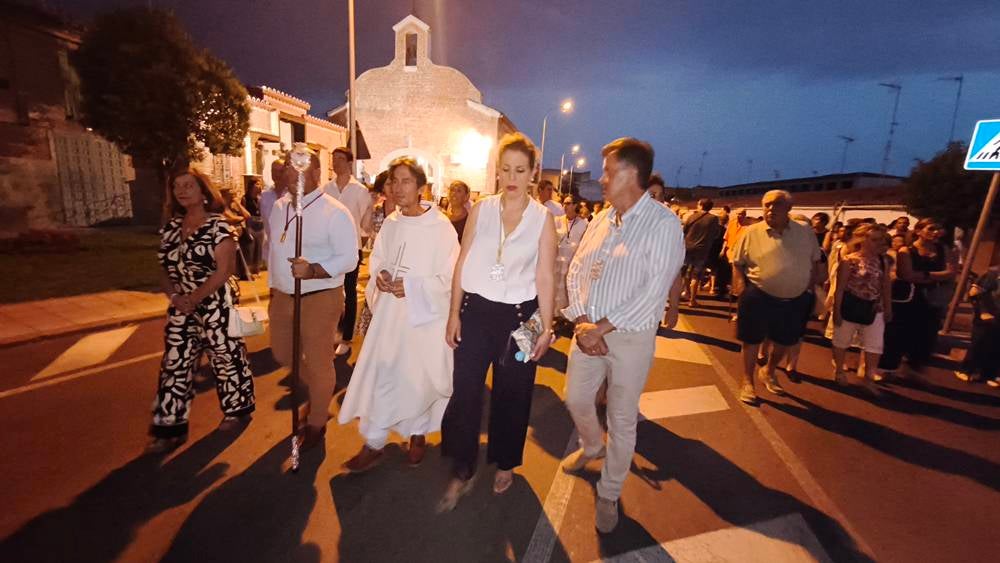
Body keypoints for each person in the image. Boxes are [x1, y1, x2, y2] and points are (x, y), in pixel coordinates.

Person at [560, 137, 685, 533]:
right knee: (576, 398)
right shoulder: (602, 219)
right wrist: (581, 320)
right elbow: (577, 269)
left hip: (629, 338)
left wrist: (601, 327)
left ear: (630, 174)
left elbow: (653, 291)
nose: (601, 178)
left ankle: (610, 492)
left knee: (622, 417)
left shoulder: (664, 224)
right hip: (587, 331)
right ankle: (592, 445)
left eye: (608, 171)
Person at [438, 132, 557, 511]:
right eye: (505, 169)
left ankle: (506, 461)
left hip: (521, 319)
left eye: (520, 170)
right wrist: (454, 312)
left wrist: (547, 326)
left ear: (532, 172)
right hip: (475, 313)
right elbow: (462, 262)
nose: (512, 177)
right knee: (466, 390)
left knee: (515, 393)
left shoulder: (543, 220)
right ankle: (464, 460)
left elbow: (546, 278)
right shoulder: (482, 209)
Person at [338, 157, 460, 472]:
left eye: (406, 181)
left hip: (424, 319)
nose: (398, 187)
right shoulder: (391, 223)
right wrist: (379, 276)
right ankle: (374, 442)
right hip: (390, 317)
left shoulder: (441, 227)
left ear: (421, 188)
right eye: (394, 181)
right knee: (384, 374)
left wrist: (414, 287)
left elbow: (451, 278)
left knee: (417, 378)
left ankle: (417, 433)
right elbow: (379, 260)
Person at [147, 169, 255, 453]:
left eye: (188, 186)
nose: (182, 191)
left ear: (204, 191)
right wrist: (174, 296)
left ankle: (237, 408)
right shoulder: (171, 228)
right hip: (182, 305)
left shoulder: (220, 227)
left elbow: (224, 271)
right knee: (175, 363)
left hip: (215, 303)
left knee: (225, 357)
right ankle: (169, 427)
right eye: (177, 187)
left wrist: (195, 297)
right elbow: (164, 268)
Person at [269, 149, 359, 450]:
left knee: (319, 362)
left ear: (317, 172)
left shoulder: (335, 211)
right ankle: (322, 390)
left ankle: (317, 421)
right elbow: (275, 250)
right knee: (284, 354)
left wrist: (313, 270)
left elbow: (349, 258)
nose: (290, 173)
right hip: (283, 294)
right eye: (288, 168)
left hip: (319, 295)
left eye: (300, 168)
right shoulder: (280, 207)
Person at [731, 190, 823, 404]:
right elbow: (737, 262)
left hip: (795, 300)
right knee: (751, 340)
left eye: (777, 204)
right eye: (767, 204)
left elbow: (815, 262)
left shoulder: (805, 232)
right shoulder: (751, 232)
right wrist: (739, 286)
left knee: (785, 341)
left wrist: (808, 288)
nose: (771, 208)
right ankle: (748, 381)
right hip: (758, 295)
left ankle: (769, 371)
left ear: (789, 208)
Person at [879, 218, 957, 380]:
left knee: (925, 334)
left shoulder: (943, 249)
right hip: (908, 298)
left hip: (932, 300)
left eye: (938, 229)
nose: (936, 233)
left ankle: (913, 368)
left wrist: (923, 276)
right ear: (918, 231)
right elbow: (906, 275)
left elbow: (950, 272)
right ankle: (887, 368)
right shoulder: (906, 251)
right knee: (898, 334)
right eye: (931, 229)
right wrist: (935, 277)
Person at [323, 147, 373, 357]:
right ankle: (330, 332)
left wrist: (357, 246)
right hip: (328, 250)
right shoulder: (326, 188)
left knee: (350, 293)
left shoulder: (359, 190)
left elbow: (365, 222)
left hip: (351, 249)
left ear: (350, 163)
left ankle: (345, 336)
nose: (336, 163)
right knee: (331, 293)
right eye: (333, 159)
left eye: (341, 159)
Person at [831, 223, 892, 394]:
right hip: (851, 305)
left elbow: (886, 285)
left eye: (880, 240)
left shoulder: (882, 261)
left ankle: (869, 378)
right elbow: (840, 288)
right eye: (874, 240)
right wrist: (836, 311)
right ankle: (839, 371)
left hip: (874, 307)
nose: (878, 243)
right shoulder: (849, 260)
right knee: (842, 340)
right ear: (862, 240)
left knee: (875, 345)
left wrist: (888, 308)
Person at [955, 265, 1000, 386]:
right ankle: (967, 370)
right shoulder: (993, 273)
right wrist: (983, 311)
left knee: (996, 346)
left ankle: (990, 374)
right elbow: (974, 293)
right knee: (979, 342)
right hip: (987, 315)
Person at [681, 198, 723, 307]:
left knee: (686, 272)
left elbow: (684, 231)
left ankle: (687, 293)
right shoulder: (713, 219)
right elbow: (716, 234)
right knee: (696, 275)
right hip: (702, 250)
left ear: (700, 205)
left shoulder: (691, 217)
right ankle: (692, 300)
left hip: (687, 247)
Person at [555, 194, 589, 317]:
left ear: (575, 205)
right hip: (558, 263)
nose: (565, 206)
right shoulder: (557, 220)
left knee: (569, 290)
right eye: (564, 203)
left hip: (573, 263)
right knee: (557, 290)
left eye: (568, 203)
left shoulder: (583, 223)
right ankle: (556, 316)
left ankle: (568, 317)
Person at [260, 158, 290, 267]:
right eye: (274, 171)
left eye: (280, 171)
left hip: (290, 250)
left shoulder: (294, 196)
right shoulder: (264, 196)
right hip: (271, 250)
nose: (276, 174)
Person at [244, 177, 265, 274]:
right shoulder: (245, 199)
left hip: (260, 224)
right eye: (257, 184)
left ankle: (257, 269)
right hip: (251, 225)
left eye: (260, 184)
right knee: (250, 249)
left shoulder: (259, 199)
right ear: (251, 186)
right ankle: (248, 270)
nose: (259, 186)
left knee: (259, 248)